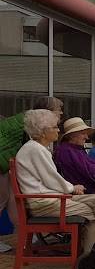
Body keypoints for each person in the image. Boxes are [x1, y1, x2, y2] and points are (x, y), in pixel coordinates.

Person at [15, 110, 95, 257]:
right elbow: (51, 179)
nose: (58, 130)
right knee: (94, 215)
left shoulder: (37, 148)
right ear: (43, 131)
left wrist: (71, 188)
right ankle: (89, 256)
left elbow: (51, 179)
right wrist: (72, 188)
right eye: (54, 127)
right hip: (45, 203)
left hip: (51, 198)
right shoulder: (36, 150)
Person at [0, 97, 64, 253]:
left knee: (14, 201)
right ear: (47, 110)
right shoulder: (34, 122)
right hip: (2, 164)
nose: (61, 113)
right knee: (2, 200)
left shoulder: (31, 121)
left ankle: (27, 236)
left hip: (6, 164)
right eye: (58, 109)